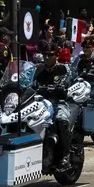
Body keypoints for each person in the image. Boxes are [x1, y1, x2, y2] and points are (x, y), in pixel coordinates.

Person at [33, 42, 73, 171]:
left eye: (50, 55)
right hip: (40, 103)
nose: (46, 57)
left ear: (56, 55)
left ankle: (66, 155)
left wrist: (59, 88)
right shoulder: (38, 69)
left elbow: (66, 84)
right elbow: (29, 82)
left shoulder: (63, 69)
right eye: (45, 54)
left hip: (58, 102)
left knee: (61, 121)